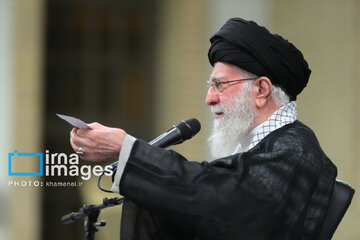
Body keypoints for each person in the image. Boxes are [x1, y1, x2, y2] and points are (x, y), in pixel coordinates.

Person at [70, 18, 337, 240]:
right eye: (210, 86)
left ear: (261, 89)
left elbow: (224, 205)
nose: (209, 98)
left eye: (220, 85)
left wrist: (127, 149)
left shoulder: (295, 148)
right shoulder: (265, 145)